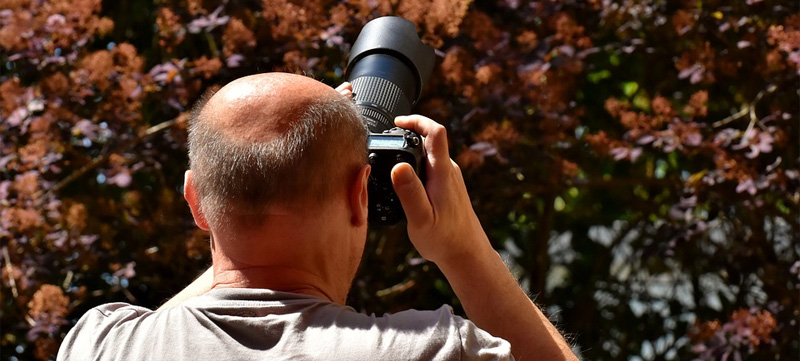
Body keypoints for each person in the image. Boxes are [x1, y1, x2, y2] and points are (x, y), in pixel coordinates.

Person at [57, 73, 578, 361]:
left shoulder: (101, 343)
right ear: (361, 193)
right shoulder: (434, 351)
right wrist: (465, 250)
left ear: (194, 201)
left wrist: (239, 203)